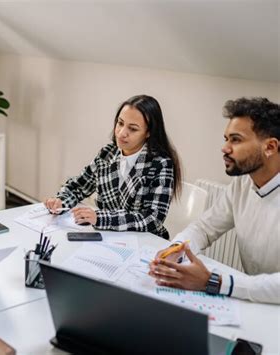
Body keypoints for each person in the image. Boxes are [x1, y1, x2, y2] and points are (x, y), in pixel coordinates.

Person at [149, 97, 279, 304]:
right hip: (256, 302)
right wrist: (175, 249)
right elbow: (204, 227)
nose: (224, 148)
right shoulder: (242, 183)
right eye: (226, 139)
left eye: (235, 140)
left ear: (270, 147)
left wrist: (214, 282)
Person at [45, 95, 182, 239]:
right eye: (120, 123)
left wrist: (101, 218)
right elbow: (79, 187)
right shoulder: (108, 152)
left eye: (133, 129)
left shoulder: (161, 164)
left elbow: (153, 219)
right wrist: (60, 201)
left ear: (148, 133)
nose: (122, 133)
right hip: (108, 237)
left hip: (144, 242)